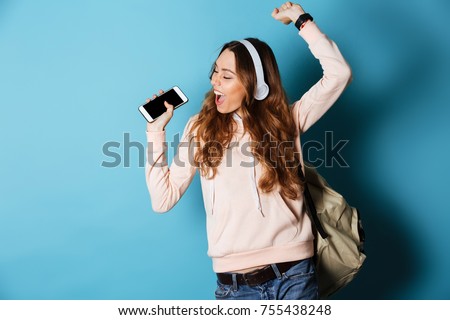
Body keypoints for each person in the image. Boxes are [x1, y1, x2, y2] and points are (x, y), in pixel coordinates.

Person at [144, 2, 352, 300]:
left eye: (227, 76)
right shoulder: (199, 129)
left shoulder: (287, 122)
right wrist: (155, 131)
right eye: (215, 72)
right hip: (235, 288)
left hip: (295, 275)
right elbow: (162, 200)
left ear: (256, 86)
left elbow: (339, 74)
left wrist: (301, 20)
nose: (215, 81)